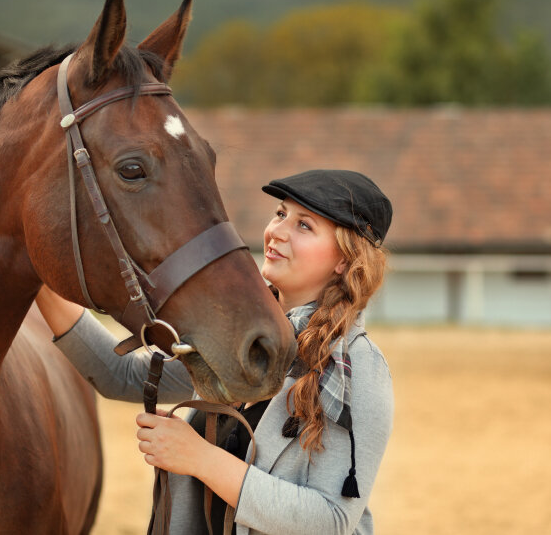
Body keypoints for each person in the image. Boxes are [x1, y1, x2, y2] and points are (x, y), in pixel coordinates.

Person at [36, 169, 394, 535]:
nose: (278, 232)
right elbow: (121, 374)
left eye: (305, 226)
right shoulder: (233, 332)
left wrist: (199, 458)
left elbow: (332, 520)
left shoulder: (358, 369)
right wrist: (36, 275)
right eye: (282, 214)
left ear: (344, 260)